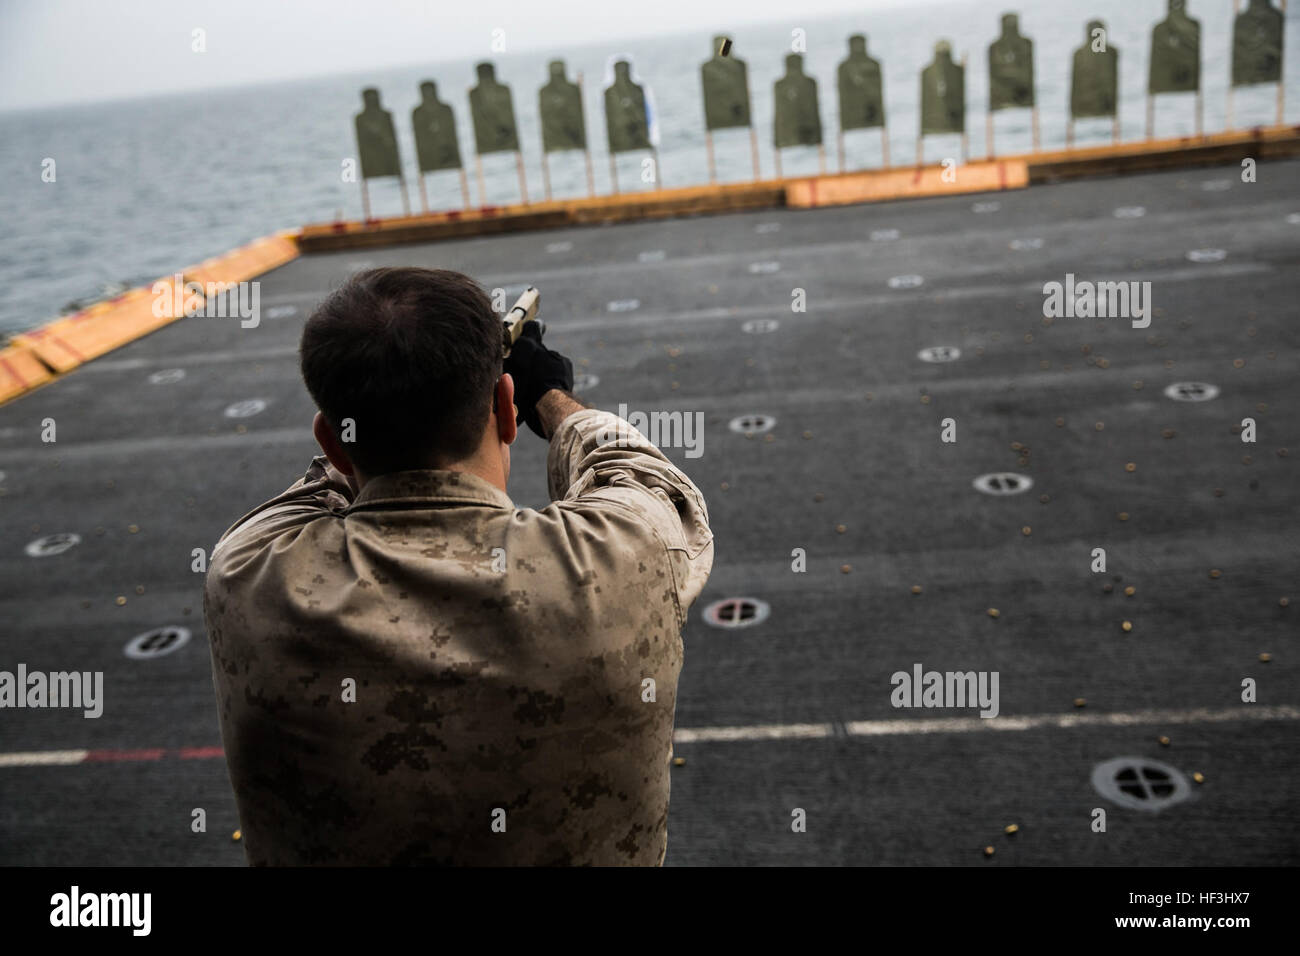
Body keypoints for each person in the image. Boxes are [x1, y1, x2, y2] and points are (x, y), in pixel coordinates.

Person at [203, 267, 713, 865]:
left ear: (332, 439)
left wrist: (373, 411)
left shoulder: (248, 574)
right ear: (505, 406)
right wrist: (550, 397)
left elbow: (320, 484)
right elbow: (639, 471)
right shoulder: (624, 554)